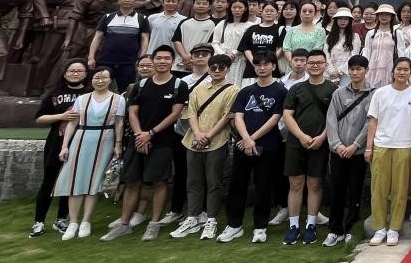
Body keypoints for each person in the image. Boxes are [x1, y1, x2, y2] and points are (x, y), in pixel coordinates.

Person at [111, 47, 187, 242]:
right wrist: (140, 135)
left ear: (172, 61)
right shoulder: (140, 85)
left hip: (163, 141)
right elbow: (132, 113)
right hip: (137, 140)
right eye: (158, 58)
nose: (162, 61)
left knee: (159, 182)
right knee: (132, 182)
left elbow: (175, 114)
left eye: (166, 58)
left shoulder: (179, 85)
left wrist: (151, 134)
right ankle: (124, 224)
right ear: (153, 61)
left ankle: (153, 224)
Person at [217, 52, 287, 244]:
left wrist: (252, 139)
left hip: (268, 145)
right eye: (258, 64)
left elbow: (275, 119)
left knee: (263, 186)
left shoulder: (281, 91)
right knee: (237, 185)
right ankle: (234, 225)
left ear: (274, 66)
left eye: (266, 64)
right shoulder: (246, 91)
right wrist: (246, 139)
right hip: (243, 145)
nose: (262, 68)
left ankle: (260, 226)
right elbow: (238, 116)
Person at [170, 54, 237, 241]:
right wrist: (198, 133)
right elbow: (191, 112)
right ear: (208, 68)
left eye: (221, 67)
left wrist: (208, 135)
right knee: (193, 181)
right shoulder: (198, 89)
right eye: (213, 67)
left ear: (227, 69)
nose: (217, 71)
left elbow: (227, 116)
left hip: (217, 141)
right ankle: (193, 217)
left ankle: (211, 219)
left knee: (214, 182)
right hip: (194, 139)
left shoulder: (233, 90)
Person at [53, 66, 125, 240]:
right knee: (75, 180)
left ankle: (86, 221)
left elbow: (119, 123)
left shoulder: (118, 99)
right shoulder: (82, 99)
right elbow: (72, 123)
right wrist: (65, 146)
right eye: (96, 77)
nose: (100, 81)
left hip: (105, 139)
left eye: (104, 77)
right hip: (81, 138)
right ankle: (73, 222)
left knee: (95, 181)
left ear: (110, 80)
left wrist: (118, 144)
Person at [281, 49, 337, 246]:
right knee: (295, 184)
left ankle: (311, 224)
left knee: (315, 184)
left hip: (320, 143)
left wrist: (322, 137)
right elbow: (287, 115)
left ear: (325, 65)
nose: (315, 65)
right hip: (296, 142)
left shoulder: (333, 89)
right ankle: (293, 226)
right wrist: (301, 136)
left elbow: (334, 118)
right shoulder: (296, 89)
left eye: (319, 62)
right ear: (305, 65)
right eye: (311, 62)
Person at [360, 55, 411, 246]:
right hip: (381, 145)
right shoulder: (381, 93)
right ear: (393, 71)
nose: (402, 72)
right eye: (399, 69)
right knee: (379, 189)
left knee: (400, 190)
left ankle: (394, 229)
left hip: (404, 146)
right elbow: (373, 122)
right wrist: (369, 147)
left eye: (406, 70)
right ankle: (379, 228)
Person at [31, 60, 89, 237]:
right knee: (49, 181)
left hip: (81, 142)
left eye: (79, 71)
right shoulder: (55, 93)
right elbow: (39, 118)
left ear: (86, 73)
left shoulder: (90, 94)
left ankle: (62, 219)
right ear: (64, 73)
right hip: (56, 141)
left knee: (70, 181)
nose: (75, 74)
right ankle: (39, 221)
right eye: (72, 70)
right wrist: (61, 116)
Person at [322, 56, 374, 247]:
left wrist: (355, 145)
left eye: (359, 69)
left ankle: (350, 227)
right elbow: (331, 120)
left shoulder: (373, 94)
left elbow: (370, 122)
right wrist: (337, 145)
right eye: (352, 69)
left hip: (357, 152)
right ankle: (334, 230)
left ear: (366, 70)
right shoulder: (339, 93)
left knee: (355, 190)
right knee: (336, 190)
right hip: (338, 151)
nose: (355, 73)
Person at [86, 0, 150, 94]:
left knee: (126, 91)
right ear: (118, 0)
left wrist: (141, 59)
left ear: (135, 0)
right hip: (105, 61)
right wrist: (91, 57)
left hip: (129, 62)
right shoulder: (108, 17)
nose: (127, 0)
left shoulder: (142, 19)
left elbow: (145, 39)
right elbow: (97, 37)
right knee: (100, 87)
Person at [172, 0, 216, 75]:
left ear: (210, 7)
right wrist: (185, 57)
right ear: (193, 5)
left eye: (204, 4)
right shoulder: (184, 22)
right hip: (181, 64)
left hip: (202, 65)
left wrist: (193, 58)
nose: (201, 6)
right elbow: (177, 41)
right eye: (198, 3)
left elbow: (212, 43)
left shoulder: (214, 24)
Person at [239, 2, 285, 74]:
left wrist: (270, 61)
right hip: (252, 69)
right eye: (266, 11)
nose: (269, 13)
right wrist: (254, 63)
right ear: (262, 13)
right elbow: (246, 48)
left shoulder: (280, 29)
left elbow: (281, 48)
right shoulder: (252, 29)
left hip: (271, 69)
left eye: (272, 11)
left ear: (277, 13)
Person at [213, 0, 252, 85]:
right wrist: (223, 54)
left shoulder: (250, 26)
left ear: (245, 8)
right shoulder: (223, 23)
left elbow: (247, 44)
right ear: (230, 8)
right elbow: (215, 42)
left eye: (240, 7)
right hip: (222, 59)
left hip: (240, 60)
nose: (237, 10)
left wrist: (234, 53)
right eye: (234, 7)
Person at [361, 3, 398, 89]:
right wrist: (364, 67)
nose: (384, 16)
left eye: (387, 14)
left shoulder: (397, 33)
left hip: (389, 68)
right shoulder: (371, 33)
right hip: (372, 68)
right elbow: (367, 51)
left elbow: (401, 52)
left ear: (391, 16)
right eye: (381, 14)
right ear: (377, 16)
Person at [324, 8, 360, 83]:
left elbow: (353, 56)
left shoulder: (355, 37)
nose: (343, 21)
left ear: (349, 21)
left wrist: (339, 71)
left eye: (346, 19)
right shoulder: (329, 37)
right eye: (340, 18)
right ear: (336, 20)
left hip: (346, 73)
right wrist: (332, 71)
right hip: (329, 73)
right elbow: (326, 54)